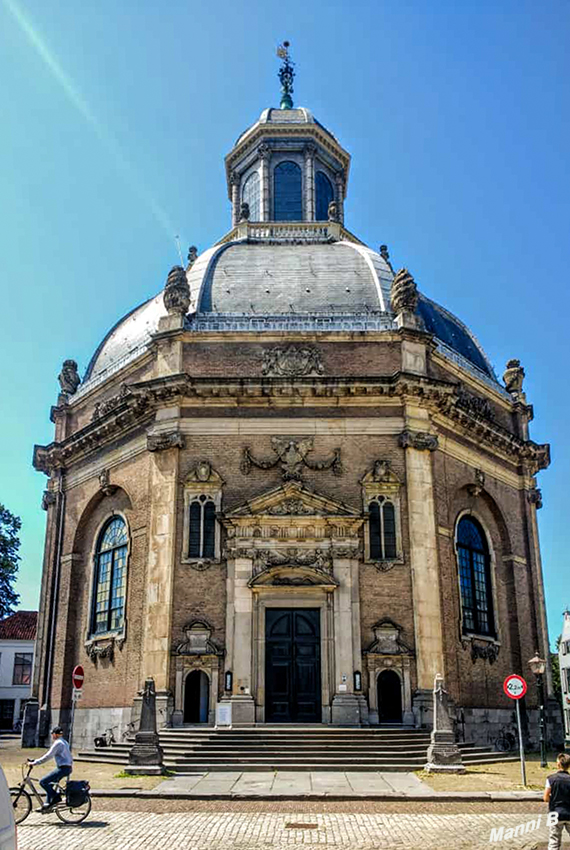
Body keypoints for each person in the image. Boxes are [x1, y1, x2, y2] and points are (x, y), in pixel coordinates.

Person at [28, 726, 73, 812]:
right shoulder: (64, 742)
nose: (52, 736)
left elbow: (48, 756)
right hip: (67, 767)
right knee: (50, 784)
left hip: (63, 768)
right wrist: (35, 760)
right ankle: (47, 806)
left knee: (43, 782)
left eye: (52, 734)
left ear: (55, 734)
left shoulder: (58, 743)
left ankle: (56, 797)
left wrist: (34, 763)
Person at [544, 752, 570, 849]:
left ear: (558, 764)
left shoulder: (551, 779)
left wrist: (554, 800)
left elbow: (545, 797)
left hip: (555, 812)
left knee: (554, 840)